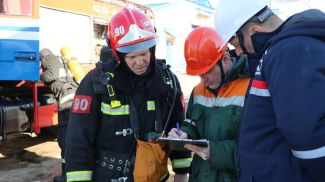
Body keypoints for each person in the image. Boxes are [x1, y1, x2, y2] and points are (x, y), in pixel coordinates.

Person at [64, 8, 191, 182]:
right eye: (132, 57)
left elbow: (178, 126)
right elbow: (78, 140)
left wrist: (182, 172)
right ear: (118, 54)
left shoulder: (167, 82)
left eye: (145, 53)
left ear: (152, 49)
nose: (140, 62)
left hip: (153, 176)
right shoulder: (95, 83)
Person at [213, 0, 325, 181]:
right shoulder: (280, 50)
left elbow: (308, 137)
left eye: (237, 45)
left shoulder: (288, 52)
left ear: (254, 31)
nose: (239, 52)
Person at [168, 27, 250, 182]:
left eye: (207, 71)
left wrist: (216, 152)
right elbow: (191, 123)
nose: (203, 79)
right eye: (199, 73)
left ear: (225, 59)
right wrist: (184, 134)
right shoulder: (199, 90)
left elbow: (257, 148)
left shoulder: (250, 88)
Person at [39, 48, 78, 182]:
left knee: (64, 140)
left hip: (66, 102)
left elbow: (51, 75)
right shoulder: (63, 60)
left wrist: (40, 76)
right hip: (74, 98)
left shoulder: (48, 58)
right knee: (74, 138)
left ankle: (67, 176)